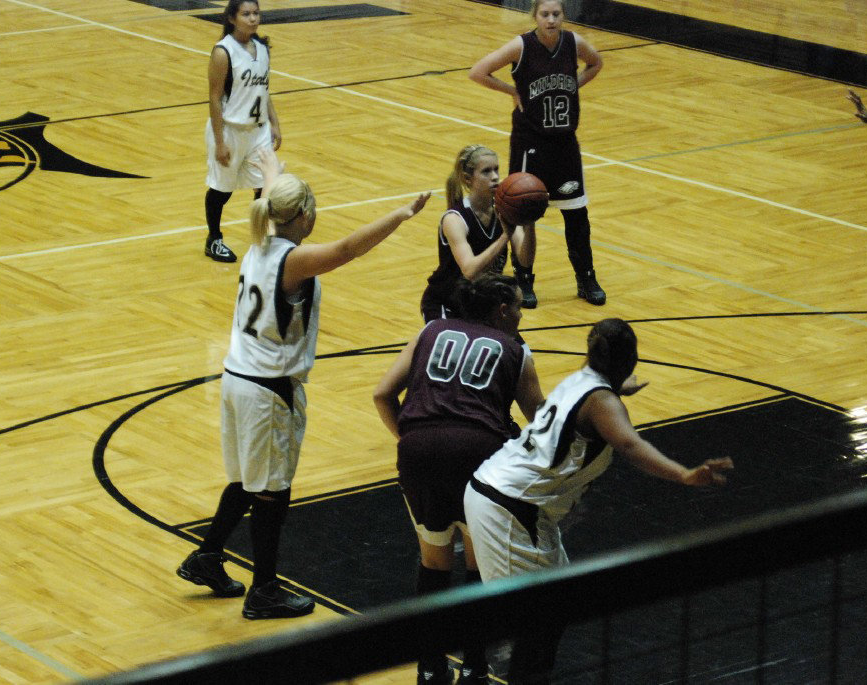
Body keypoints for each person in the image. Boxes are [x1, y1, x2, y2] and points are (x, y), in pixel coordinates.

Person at [179, 148, 430, 619]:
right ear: (305, 217)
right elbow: (348, 250)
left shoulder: (259, 240)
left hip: (237, 379)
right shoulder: (293, 261)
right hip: (268, 390)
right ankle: (265, 590)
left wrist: (270, 167)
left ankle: (207, 557)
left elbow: (276, 194)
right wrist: (400, 213)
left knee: (244, 480)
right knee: (272, 489)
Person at [463, 318, 734, 683]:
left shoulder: (582, 380)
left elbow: (595, 405)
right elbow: (629, 445)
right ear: (630, 358)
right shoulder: (602, 401)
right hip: (509, 505)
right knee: (535, 621)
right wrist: (683, 474)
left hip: (509, 497)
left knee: (552, 607)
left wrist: (617, 388)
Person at [374, 273, 545, 684]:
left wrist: (412, 436)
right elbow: (542, 421)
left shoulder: (431, 330)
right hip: (477, 455)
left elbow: (382, 394)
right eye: (519, 307)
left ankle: (430, 668)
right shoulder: (515, 349)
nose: (522, 315)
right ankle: (473, 666)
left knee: (433, 561)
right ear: (503, 310)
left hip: (417, 452)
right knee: (477, 567)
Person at [469, 0, 606, 306]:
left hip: (565, 141)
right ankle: (524, 279)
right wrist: (511, 91)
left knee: (577, 214)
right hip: (530, 141)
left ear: (563, 16)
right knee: (523, 212)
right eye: (545, 14)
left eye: (556, 14)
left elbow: (596, 63)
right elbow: (478, 72)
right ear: (535, 16)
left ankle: (586, 278)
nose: (551, 20)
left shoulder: (574, 43)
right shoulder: (521, 45)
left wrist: (574, 85)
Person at [202, 0, 282, 263]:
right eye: (246, 14)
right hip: (230, 130)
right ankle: (214, 239)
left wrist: (275, 123)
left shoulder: (262, 48)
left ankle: (264, 238)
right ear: (232, 18)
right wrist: (220, 141)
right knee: (222, 191)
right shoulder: (223, 52)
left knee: (265, 185)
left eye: (256, 13)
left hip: (258, 130)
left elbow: (264, 90)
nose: (253, 18)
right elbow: (214, 98)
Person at [421, 145, 538, 319]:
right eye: (486, 172)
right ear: (468, 179)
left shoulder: (505, 210)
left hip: (483, 302)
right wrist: (505, 237)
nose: (495, 177)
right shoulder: (454, 219)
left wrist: (529, 222)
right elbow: (470, 271)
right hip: (447, 303)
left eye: (497, 169)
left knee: (518, 348)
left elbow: (525, 260)